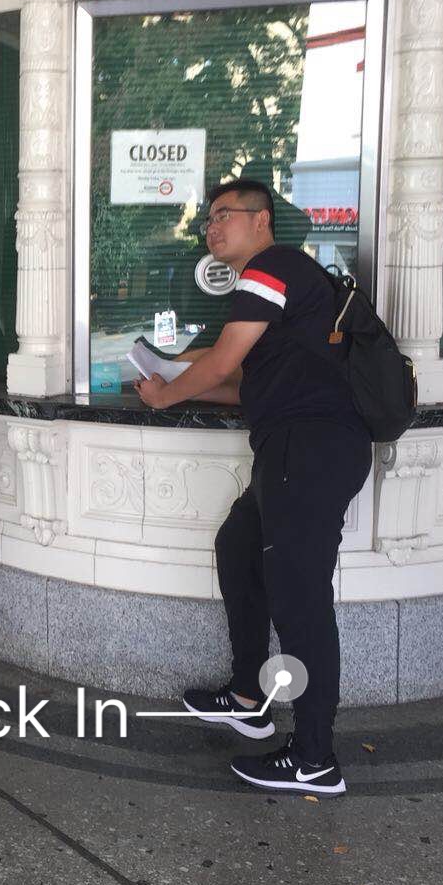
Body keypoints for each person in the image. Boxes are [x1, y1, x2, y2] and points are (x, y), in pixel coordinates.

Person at [134, 178, 371, 796]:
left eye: (223, 216)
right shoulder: (267, 291)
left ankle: (315, 757)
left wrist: (167, 391)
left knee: (299, 600)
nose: (211, 228)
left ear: (261, 220)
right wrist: (161, 381)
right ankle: (247, 695)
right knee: (239, 546)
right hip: (289, 449)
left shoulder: (274, 266)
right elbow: (241, 383)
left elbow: (218, 361)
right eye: (207, 220)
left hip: (311, 448)